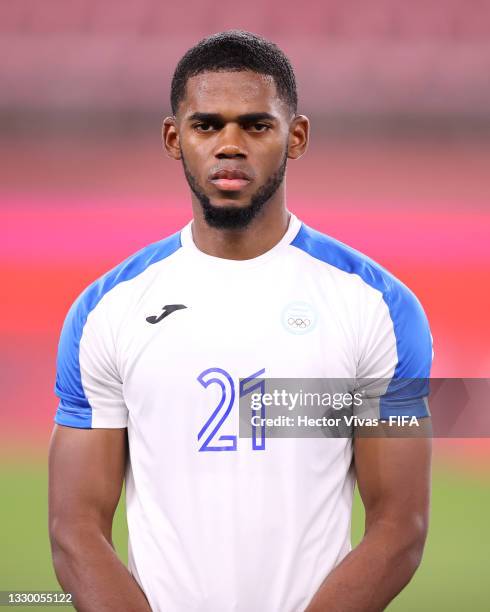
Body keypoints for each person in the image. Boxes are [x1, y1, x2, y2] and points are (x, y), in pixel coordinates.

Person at [48, 30, 433, 612]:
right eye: (207, 126)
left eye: (256, 125)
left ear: (295, 136)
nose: (230, 145)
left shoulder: (379, 305)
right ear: (173, 139)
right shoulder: (106, 310)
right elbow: (74, 528)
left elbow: (401, 525)